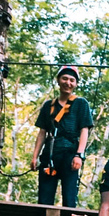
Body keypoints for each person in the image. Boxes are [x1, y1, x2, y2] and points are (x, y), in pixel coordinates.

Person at [31, 65, 93, 207]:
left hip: (70, 155)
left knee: (69, 198)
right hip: (50, 156)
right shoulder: (48, 106)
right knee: (44, 199)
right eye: (64, 78)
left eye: (72, 80)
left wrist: (79, 155)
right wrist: (35, 156)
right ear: (58, 80)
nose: (68, 83)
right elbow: (42, 132)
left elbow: (84, 130)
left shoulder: (81, 104)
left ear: (76, 84)